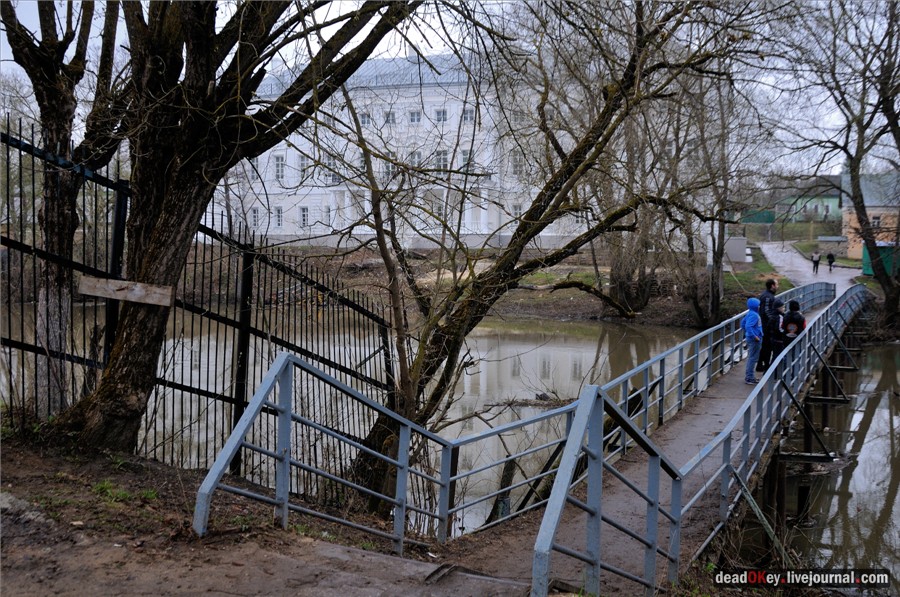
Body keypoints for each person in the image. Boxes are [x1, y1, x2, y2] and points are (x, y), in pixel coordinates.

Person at [756, 278, 778, 373]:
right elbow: (766, 311)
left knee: (765, 346)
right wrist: (774, 321)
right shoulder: (768, 297)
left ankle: (760, 365)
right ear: (772, 285)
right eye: (777, 284)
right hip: (766, 326)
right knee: (767, 347)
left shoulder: (767, 295)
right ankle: (766, 366)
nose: (778, 286)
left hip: (765, 325)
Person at [742, 297, 763, 385]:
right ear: (755, 306)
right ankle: (749, 377)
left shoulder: (750, 313)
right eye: (758, 305)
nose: (760, 306)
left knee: (752, 357)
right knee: (753, 358)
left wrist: (747, 334)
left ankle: (750, 376)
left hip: (752, 338)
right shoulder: (754, 315)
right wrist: (754, 336)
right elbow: (748, 326)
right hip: (755, 340)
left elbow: (743, 323)